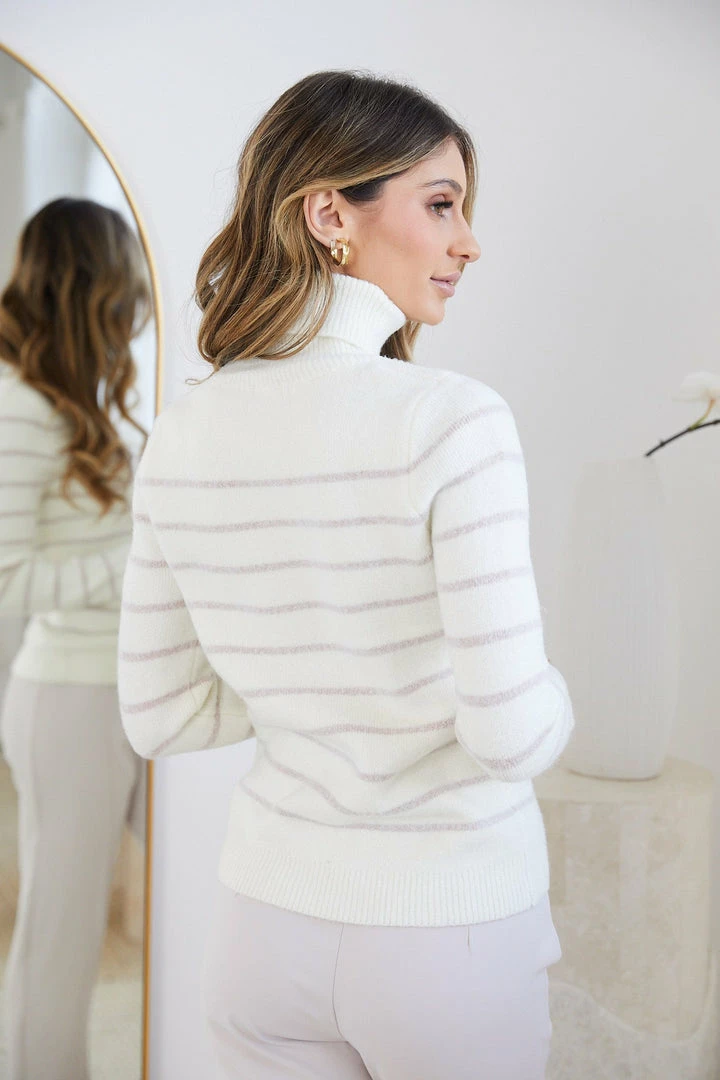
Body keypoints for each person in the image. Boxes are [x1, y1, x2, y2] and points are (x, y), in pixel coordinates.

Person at [118, 70, 575, 1079]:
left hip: (263, 931)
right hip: (446, 931)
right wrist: (554, 696)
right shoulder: (452, 421)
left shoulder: (183, 431)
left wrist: (309, 687)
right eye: (442, 203)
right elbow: (512, 734)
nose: (470, 242)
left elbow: (159, 717)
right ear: (329, 213)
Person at [0, 197, 151, 1080]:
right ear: (93, 286)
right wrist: (136, 563)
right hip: (70, 698)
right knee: (58, 942)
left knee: (73, 930)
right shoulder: (20, 406)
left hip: (113, 691)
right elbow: (6, 578)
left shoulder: (70, 400)